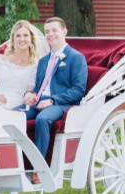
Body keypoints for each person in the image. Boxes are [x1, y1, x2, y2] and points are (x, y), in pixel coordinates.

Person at [22, 16, 88, 182]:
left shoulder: (76, 57)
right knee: (14, 114)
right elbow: (38, 87)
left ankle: (40, 168)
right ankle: (18, 163)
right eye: (47, 32)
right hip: (40, 100)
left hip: (62, 103)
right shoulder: (43, 61)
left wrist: (52, 100)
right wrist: (31, 95)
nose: (50, 34)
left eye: (54, 30)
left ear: (64, 31)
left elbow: (78, 90)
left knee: (43, 119)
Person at [0, 20, 45, 110]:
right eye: (18, 36)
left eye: (25, 35)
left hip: (17, 106)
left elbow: (29, 92)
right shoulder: (0, 59)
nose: (22, 39)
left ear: (31, 39)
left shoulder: (34, 65)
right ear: (13, 40)